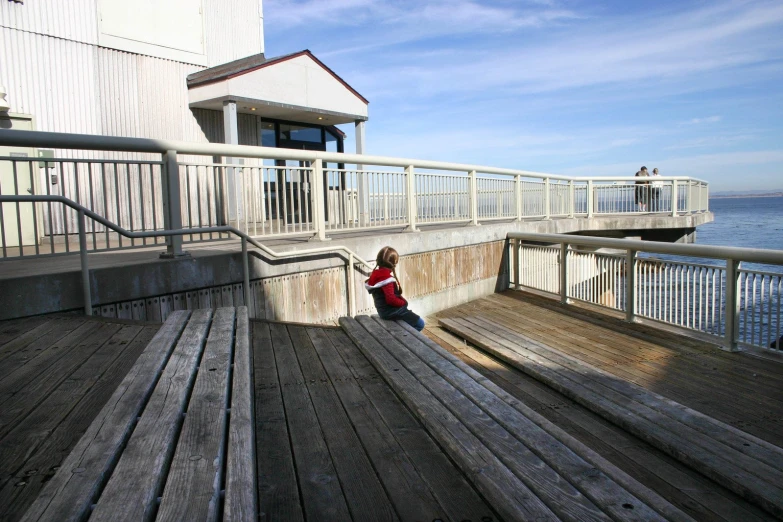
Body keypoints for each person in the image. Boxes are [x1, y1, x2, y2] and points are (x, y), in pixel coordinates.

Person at [365, 246, 425, 331]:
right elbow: (391, 299)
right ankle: (406, 339)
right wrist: (403, 302)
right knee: (420, 324)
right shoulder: (386, 279)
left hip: (383, 312)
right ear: (394, 263)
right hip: (392, 312)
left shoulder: (376, 275)